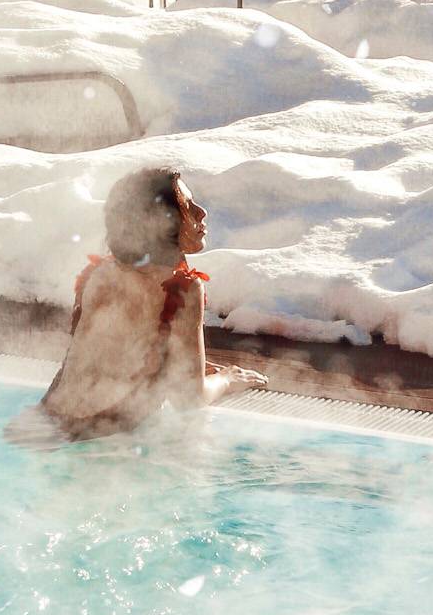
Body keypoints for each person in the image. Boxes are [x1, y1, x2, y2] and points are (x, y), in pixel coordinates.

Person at [23, 167, 267, 441]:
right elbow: (189, 398)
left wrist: (185, 361)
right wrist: (228, 379)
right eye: (188, 206)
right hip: (101, 441)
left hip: (43, 424)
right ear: (161, 223)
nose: (201, 213)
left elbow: (106, 354)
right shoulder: (183, 288)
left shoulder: (98, 274)